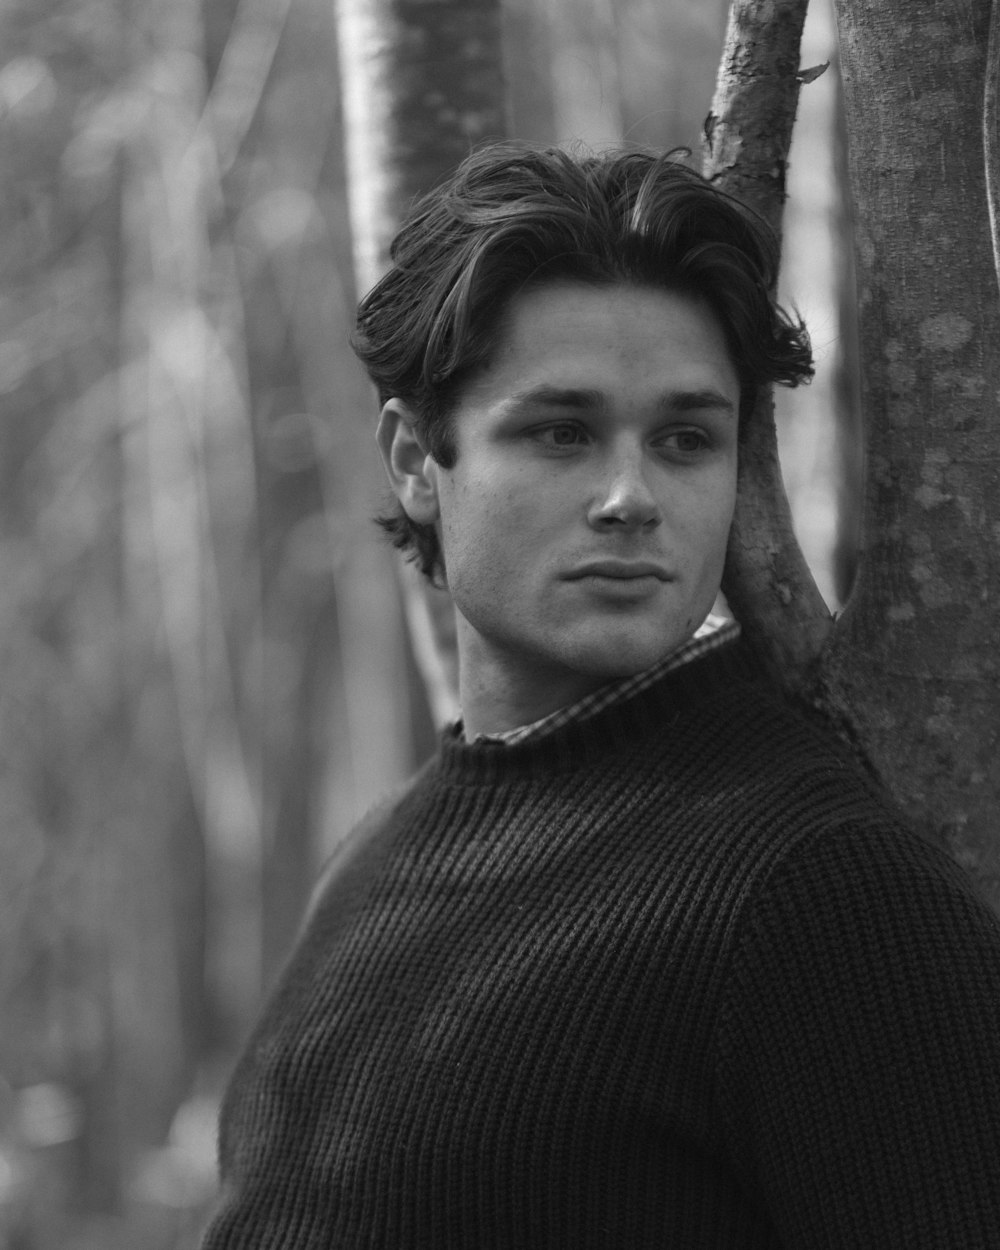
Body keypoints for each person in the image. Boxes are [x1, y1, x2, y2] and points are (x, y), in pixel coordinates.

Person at [201, 145, 1000, 1249]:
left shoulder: (821, 896)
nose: (630, 496)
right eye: (560, 431)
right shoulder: (379, 851)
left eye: (684, 438)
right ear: (414, 459)